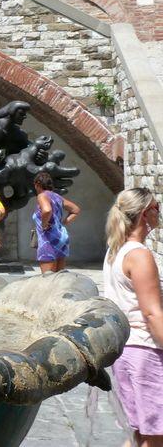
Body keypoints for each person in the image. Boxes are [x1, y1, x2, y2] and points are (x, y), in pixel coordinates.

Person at [102, 188, 163, 447]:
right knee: (155, 436)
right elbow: (152, 313)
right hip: (146, 351)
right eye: (157, 207)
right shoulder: (139, 255)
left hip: (125, 351)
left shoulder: (115, 250)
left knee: (140, 433)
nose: (160, 212)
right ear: (146, 213)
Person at [32, 171, 80, 273]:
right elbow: (75, 210)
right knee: (58, 279)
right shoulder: (57, 197)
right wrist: (63, 223)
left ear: (37, 184)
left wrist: (44, 224)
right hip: (61, 238)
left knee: (48, 280)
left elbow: (47, 210)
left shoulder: (42, 196)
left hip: (48, 240)